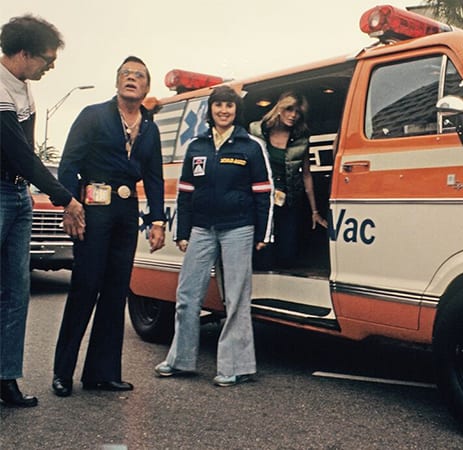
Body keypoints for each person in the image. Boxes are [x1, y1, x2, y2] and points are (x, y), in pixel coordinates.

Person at [52, 56, 166, 397]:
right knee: (85, 287)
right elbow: (69, 163)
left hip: (127, 212)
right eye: (126, 74)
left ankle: (102, 373)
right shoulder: (93, 115)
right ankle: (62, 373)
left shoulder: (150, 126)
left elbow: (155, 177)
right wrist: (70, 205)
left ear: (147, 87)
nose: (132, 79)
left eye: (139, 76)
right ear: (117, 82)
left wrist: (157, 219)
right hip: (93, 208)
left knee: (117, 292)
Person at [154, 85, 273, 387]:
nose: (223, 111)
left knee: (236, 298)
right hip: (201, 228)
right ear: (211, 109)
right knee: (186, 296)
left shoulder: (251, 146)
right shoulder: (197, 146)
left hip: (239, 228)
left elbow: (263, 192)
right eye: (218, 105)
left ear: (236, 111)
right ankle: (179, 360)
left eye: (229, 106)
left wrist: (262, 232)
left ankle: (235, 367)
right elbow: (185, 193)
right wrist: (182, 232)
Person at [0, 15, 85, 408]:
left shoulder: (25, 89)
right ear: (23, 53)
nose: (50, 67)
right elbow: (16, 152)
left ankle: (6, 378)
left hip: (18, 197)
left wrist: (38, 192)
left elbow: (28, 155)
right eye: (47, 59)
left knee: (17, 292)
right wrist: (64, 196)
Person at [249, 91, 326, 269]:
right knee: (262, 249)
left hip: (288, 199)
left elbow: (306, 174)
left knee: (287, 251)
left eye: (298, 112)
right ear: (279, 108)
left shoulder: (301, 139)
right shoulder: (256, 131)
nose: (293, 115)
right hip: (260, 201)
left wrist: (315, 211)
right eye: (289, 109)